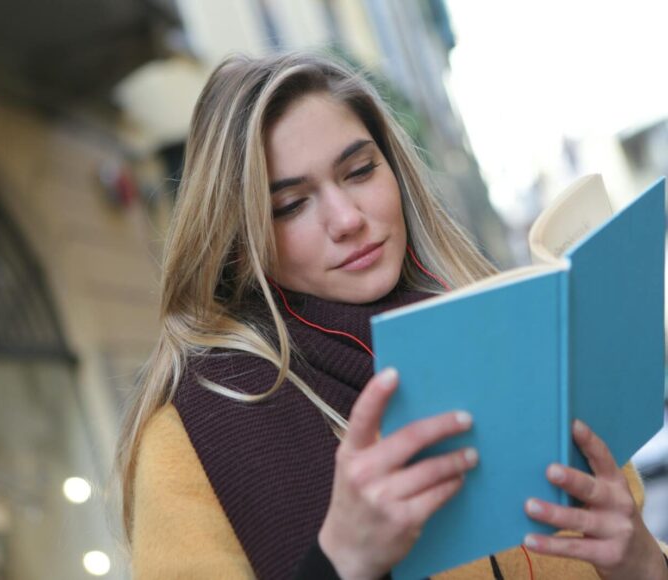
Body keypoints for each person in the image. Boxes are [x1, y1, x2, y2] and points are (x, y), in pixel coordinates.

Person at [115, 51, 668, 579]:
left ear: (394, 171)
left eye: (358, 171)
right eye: (290, 204)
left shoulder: (510, 331)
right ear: (240, 241)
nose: (347, 218)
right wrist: (341, 562)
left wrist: (644, 564)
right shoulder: (191, 435)